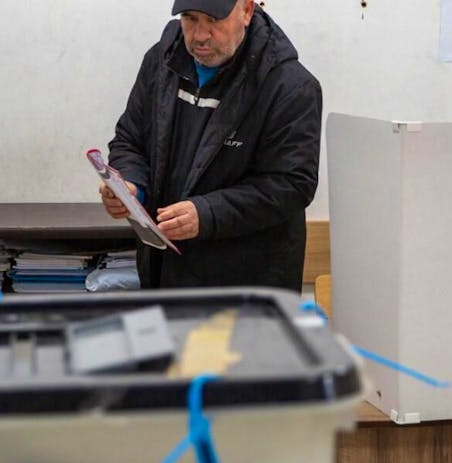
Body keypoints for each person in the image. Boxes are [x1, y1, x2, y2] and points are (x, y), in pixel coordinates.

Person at [98, 0, 322, 292]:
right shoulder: (161, 61)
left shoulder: (291, 87)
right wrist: (131, 187)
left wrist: (207, 213)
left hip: (246, 293)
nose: (200, 35)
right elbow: (130, 138)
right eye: (190, 19)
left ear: (246, 10)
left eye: (213, 20)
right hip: (164, 277)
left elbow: (292, 184)